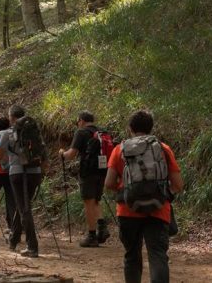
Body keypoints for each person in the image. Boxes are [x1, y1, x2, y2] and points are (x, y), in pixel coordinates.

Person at [105, 110, 183, 283]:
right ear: (151, 128)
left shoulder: (120, 150)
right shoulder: (163, 149)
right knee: (158, 256)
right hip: (158, 209)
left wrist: (125, 191)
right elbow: (178, 184)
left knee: (132, 256)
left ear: (130, 128)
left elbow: (109, 183)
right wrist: (164, 194)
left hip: (127, 211)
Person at [0, 105, 48, 258]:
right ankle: (14, 239)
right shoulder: (35, 132)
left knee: (24, 209)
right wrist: (41, 172)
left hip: (17, 173)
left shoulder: (7, 133)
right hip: (35, 173)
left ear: (11, 117)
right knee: (22, 205)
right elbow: (44, 155)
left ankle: (32, 247)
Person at [59, 111, 111, 247]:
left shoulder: (81, 133)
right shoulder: (102, 132)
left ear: (81, 120)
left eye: (78, 122)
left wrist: (62, 154)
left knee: (88, 202)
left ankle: (92, 236)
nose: (78, 124)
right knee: (96, 200)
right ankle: (102, 228)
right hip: (103, 171)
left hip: (88, 172)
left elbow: (71, 155)